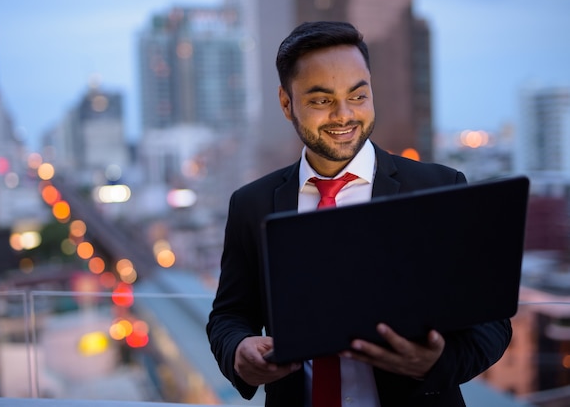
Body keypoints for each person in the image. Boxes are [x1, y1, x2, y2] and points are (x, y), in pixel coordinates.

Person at [206, 21, 511, 407]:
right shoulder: (252, 203)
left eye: (358, 96)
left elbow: (492, 323)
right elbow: (229, 315)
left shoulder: (439, 187)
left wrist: (435, 362)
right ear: (287, 103)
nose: (344, 115)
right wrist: (238, 351)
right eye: (321, 100)